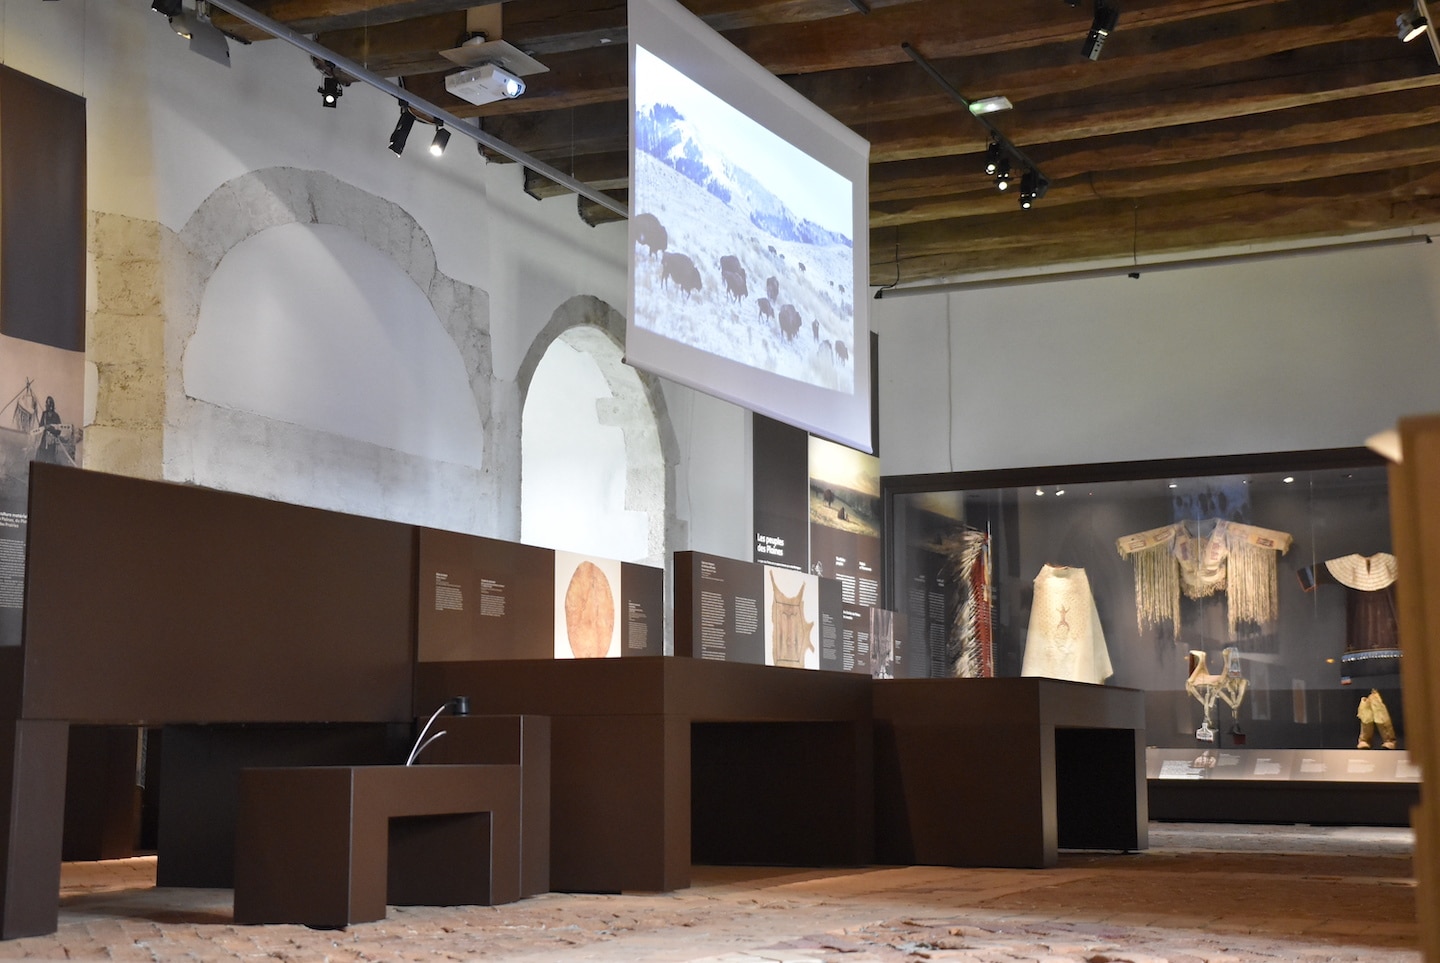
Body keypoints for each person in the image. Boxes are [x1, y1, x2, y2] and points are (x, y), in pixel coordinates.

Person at [35, 395, 63, 463]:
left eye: (48, 403)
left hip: (51, 443)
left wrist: (50, 428)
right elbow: (40, 426)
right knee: (40, 459)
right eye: (46, 403)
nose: (46, 405)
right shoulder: (44, 414)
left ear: (51, 405)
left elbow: (59, 431)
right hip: (44, 442)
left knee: (50, 461)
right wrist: (44, 427)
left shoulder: (56, 416)